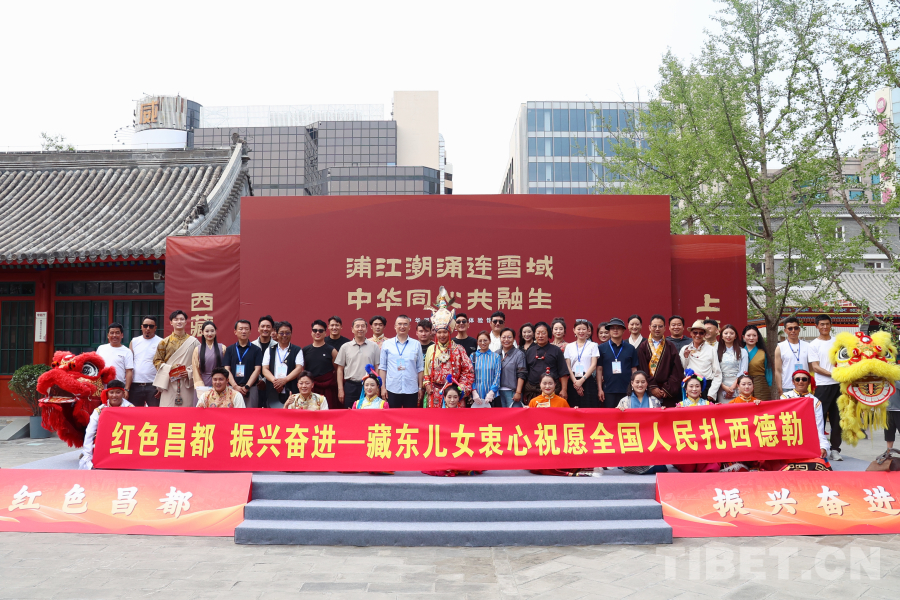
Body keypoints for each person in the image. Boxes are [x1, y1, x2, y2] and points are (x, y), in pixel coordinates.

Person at [423, 289, 474, 409]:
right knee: (435, 420)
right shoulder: (431, 349)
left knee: (455, 420)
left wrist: (460, 387)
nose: (442, 335)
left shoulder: (459, 349)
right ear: (435, 333)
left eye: (445, 332)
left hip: (453, 395)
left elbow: (468, 371)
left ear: (449, 332)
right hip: (435, 393)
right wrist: (427, 384)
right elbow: (426, 372)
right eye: (439, 332)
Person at [421, 383, 482, 477]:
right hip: (444, 448)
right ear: (444, 398)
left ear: (459, 398)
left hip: (459, 447)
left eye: (455, 397)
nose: (452, 400)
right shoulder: (438, 414)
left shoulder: (465, 414)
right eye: (449, 397)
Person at [617, 371, 667, 475]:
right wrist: (618, 412)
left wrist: (663, 412)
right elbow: (616, 422)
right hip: (632, 440)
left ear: (647, 383)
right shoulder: (624, 401)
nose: (640, 385)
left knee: (659, 466)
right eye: (637, 382)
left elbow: (661, 423)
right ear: (632, 383)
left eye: (643, 382)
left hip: (650, 439)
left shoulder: (654, 401)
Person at [808, 314, 842, 461]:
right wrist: (833, 374)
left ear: (831, 325)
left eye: (827, 324)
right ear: (816, 326)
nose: (825, 327)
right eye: (822, 324)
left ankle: (835, 450)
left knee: (837, 419)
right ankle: (820, 449)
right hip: (822, 386)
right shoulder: (813, 344)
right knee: (819, 418)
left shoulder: (838, 343)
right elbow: (815, 367)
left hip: (839, 385)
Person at [79, 379, 133, 469]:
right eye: (111, 392)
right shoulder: (99, 411)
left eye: (118, 392)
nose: (114, 395)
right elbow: (90, 432)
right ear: (107, 394)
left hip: (124, 441)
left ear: (123, 394)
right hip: (106, 442)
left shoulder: (131, 409)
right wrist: (87, 453)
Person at [673, 371, 720, 473]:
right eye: (691, 386)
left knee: (711, 466)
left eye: (697, 386)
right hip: (688, 440)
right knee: (688, 467)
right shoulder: (680, 406)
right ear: (686, 388)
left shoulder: (709, 404)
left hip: (704, 440)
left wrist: (719, 409)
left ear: (701, 388)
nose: (694, 389)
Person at [153, 310, 201, 407]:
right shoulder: (164, 342)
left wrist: (189, 372)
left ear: (186, 322)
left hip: (187, 382)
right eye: (176, 319)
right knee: (168, 410)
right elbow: (157, 361)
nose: (179, 321)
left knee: (187, 411)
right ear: (171, 322)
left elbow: (200, 361)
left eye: (181, 319)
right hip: (169, 382)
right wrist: (170, 368)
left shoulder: (194, 342)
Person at [636, 315, 685, 407]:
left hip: (667, 391)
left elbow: (677, 370)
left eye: (660, 326)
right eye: (654, 326)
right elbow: (642, 369)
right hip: (649, 389)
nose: (657, 329)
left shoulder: (670, 346)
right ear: (649, 327)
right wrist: (652, 387)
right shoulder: (643, 346)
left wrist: (667, 389)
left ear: (665, 328)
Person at [780, 369, 830, 459]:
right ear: (793, 382)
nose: (801, 381)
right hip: (788, 438)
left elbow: (819, 427)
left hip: (807, 439)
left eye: (804, 379)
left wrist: (823, 447)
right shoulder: (785, 397)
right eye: (797, 379)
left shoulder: (815, 402)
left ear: (809, 382)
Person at [378, 315, 424, 408]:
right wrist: (383, 388)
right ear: (395, 326)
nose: (402, 326)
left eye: (405, 324)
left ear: (409, 327)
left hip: (411, 389)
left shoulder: (416, 344)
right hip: (392, 388)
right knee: (392, 415)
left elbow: (420, 368)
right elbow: (382, 368)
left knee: (410, 415)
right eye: (399, 324)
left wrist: (420, 388)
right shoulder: (387, 344)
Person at [335, 318, 381, 407]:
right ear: (352, 329)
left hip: (369, 386)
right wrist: (340, 389)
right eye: (357, 326)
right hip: (350, 386)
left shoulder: (374, 346)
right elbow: (340, 369)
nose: (360, 328)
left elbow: (377, 367)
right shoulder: (345, 347)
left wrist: (377, 387)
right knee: (350, 411)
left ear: (366, 329)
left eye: (363, 326)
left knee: (368, 410)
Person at [597, 318, 638, 408]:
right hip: (608, 390)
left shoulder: (631, 348)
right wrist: (600, 389)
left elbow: (634, 369)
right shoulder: (601, 348)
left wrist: (634, 388)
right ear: (609, 331)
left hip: (627, 389)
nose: (615, 330)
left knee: (627, 414)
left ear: (623, 330)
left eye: (618, 328)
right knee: (610, 414)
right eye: (612, 328)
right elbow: (599, 369)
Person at [262, 321, 304, 408]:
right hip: (272, 390)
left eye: (287, 333)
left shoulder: (297, 350)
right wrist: (275, 382)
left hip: (291, 389)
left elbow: (299, 368)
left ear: (291, 334)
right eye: (281, 333)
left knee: (291, 414)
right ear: (276, 334)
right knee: (273, 414)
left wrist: (284, 380)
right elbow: (265, 369)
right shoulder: (270, 350)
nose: (284, 335)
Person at [523, 321, 569, 400]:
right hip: (532, 390)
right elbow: (525, 372)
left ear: (548, 334)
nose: (540, 336)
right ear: (534, 335)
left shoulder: (556, 350)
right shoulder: (530, 350)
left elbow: (563, 372)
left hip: (552, 390)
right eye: (538, 333)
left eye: (543, 333)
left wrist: (564, 390)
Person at [224, 319, 263, 408]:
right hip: (233, 389)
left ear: (250, 331)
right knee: (232, 414)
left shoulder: (256, 350)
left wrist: (247, 386)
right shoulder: (229, 349)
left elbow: (257, 370)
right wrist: (235, 386)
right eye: (241, 329)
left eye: (246, 329)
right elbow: (227, 369)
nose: (244, 331)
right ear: (235, 332)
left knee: (250, 414)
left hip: (251, 389)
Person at [680, 320, 722, 401]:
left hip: (706, 387)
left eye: (701, 333)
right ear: (691, 333)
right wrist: (686, 357)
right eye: (695, 332)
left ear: (705, 334)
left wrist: (712, 393)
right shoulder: (685, 349)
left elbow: (717, 373)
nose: (698, 335)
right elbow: (681, 370)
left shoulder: (711, 349)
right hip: (690, 387)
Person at [302, 319, 340, 409]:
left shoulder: (332, 351)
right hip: (311, 387)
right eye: (315, 330)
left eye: (320, 331)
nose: (317, 333)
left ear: (325, 333)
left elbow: (337, 370)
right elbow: (302, 370)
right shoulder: (305, 350)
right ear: (311, 332)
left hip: (328, 388)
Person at [564, 319, 599, 408]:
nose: (581, 331)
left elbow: (593, 365)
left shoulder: (593, 345)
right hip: (573, 380)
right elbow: (568, 365)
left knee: (588, 407)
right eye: (578, 329)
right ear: (574, 330)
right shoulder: (569, 346)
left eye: (584, 329)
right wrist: (576, 382)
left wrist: (582, 380)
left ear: (588, 330)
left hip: (588, 379)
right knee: (573, 407)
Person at [773, 316, 810, 398]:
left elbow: (811, 368)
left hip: (804, 385)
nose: (793, 331)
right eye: (790, 328)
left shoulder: (807, 346)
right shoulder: (780, 347)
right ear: (785, 330)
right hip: (787, 386)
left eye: (796, 328)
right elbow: (778, 370)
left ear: (799, 329)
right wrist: (779, 387)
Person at [129, 316, 162, 407]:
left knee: (155, 413)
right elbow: (129, 363)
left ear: (155, 328)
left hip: (153, 385)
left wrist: (161, 386)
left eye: (151, 326)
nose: (148, 328)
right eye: (145, 326)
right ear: (141, 327)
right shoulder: (134, 341)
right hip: (135, 384)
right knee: (135, 413)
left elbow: (164, 366)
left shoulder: (161, 342)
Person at [191, 321, 228, 400]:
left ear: (215, 332)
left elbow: (227, 368)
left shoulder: (222, 348)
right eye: (207, 331)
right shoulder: (197, 349)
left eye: (212, 331)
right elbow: (195, 370)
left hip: (219, 382)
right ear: (202, 332)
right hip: (203, 383)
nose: (209, 333)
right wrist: (200, 387)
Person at [96, 322, 134, 399]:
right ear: (108, 335)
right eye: (112, 333)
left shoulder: (127, 351)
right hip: (102, 389)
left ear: (122, 335)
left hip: (119, 389)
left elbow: (129, 371)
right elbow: (96, 367)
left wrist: (126, 389)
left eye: (117, 333)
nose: (114, 335)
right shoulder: (101, 348)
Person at [716, 324, 748, 403]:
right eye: (726, 333)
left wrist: (734, 386)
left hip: (738, 385)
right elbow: (714, 370)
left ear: (735, 336)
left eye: (731, 333)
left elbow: (743, 370)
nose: (728, 335)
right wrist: (723, 386)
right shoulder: (716, 351)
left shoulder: (742, 351)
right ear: (722, 336)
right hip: (721, 385)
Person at [742, 325, 773, 401]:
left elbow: (768, 370)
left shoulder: (763, 352)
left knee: (762, 405)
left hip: (760, 384)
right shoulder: (739, 352)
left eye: (754, 335)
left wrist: (769, 383)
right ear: (743, 337)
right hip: (744, 384)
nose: (751, 338)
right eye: (748, 335)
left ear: (758, 337)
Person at [497, 327, 526, 407]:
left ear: (513, 339)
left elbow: (522, 374)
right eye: (503, 337)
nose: (506, 340)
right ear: (500, 338)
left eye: (509, 337)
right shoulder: (496, 354)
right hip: (498, 392)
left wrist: (518, 392)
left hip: (512, 392)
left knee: (514, 414)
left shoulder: (519, 354)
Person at [471, 331, 501, 407]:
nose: (483, 343)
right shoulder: (473, 356)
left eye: (485, 340)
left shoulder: (496, 356)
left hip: (493, 396)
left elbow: (497, 375)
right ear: (477, 342)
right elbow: (470, 375)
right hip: (477, 396)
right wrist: (473, 391)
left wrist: (492, 392)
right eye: (480, 341)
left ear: (489, 341)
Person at [252, 315, 277, 399]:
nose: (265, 329)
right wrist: (259, 380)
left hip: (272, 385)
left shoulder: (277, 346)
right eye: (262, 326)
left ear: (272, 329)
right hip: (254, 384)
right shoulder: (252, 345)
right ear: (258, 328)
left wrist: (264, 381)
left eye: (268, 326)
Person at [885, 367, 900, 450]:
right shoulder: (884, 381)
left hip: (898, 410)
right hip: (887, 411)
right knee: (889, 434)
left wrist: (893, 381)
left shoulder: (897, 380)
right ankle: (888, 452)